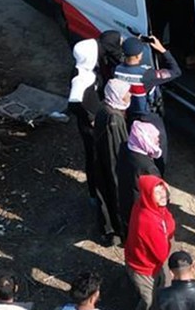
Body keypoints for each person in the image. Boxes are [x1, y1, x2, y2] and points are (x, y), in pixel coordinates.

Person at [125, 175, 176, 310]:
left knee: (151, 296)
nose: (163, 194)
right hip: (143, 269)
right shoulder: (149, 221)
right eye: (157, 192)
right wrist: (166, 234)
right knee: (152, 306)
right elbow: (162, 254)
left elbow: (169, 222)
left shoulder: (145, 204)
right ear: (148, 195)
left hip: (145, 262)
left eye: (163, 189)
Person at [93, 78, 132, 242]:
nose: (129, 95)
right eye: (126, 93)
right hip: (113, 168)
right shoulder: (113, 120)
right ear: (117, 95)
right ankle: (120, 230)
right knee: (116, 197)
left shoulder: (105, 107)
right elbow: (114, 153)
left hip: (103, 163)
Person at [113, 35, 180, 120]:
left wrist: (135, 44)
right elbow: (176, 71)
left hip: (126, 111)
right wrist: (162, 50)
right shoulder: (147, 74)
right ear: (138, 56)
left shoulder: (117, 70)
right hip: (143, 115)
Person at [67, 39, 101, 203]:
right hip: (90, 128)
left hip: (94, 121)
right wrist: (90, 119)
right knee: (93, 158)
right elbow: (73, 104)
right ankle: (94, 193)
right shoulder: (79, 80)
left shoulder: (86, 71)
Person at [117, 120, 163, 231]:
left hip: (124, 199)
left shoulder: (125, 147)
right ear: (144, 140)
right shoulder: (148, 168)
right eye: (154, 137)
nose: (158, 140)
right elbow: (157, 194)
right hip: (140, 210)